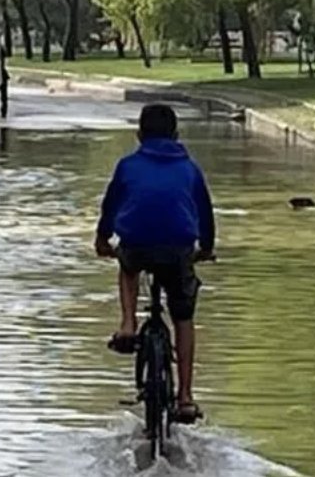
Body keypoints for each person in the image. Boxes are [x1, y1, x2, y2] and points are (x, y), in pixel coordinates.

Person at [94, 103, 215, 424]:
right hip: (178, 248)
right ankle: (186, 397)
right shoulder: (190, 168)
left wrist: (103, 239)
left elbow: (110, 206)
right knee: (183, 316)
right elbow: (205, 213)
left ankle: (128, 324)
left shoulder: (127, 166)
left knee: (128, 265)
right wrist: (206, 248)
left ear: (139, 135)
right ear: (176, 135)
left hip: (137, 243)